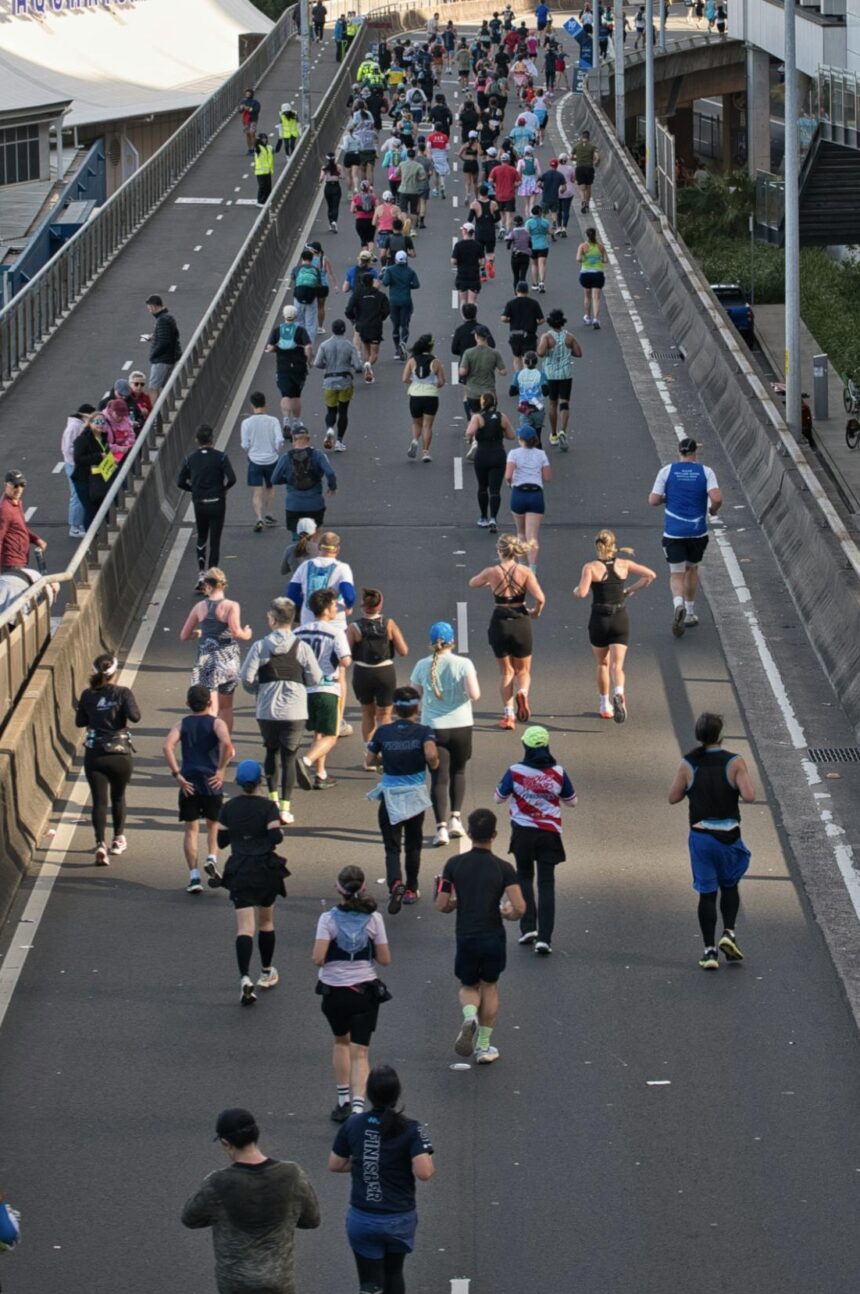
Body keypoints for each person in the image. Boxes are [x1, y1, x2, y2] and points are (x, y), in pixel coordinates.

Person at [182, 1107, 320, 1291]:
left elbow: (189, 1219)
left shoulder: (217, 1182)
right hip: (279, 1280)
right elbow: (312, 1220)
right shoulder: (292, 1174)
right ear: (256, 1134)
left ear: (225, 1143)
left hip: (235, 1282)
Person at [329, 1064, 434, 1293]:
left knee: (369, 1281)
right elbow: (424, 1172)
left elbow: (335, 1164)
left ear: (368, 1094)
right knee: (394, 1273)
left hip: (363, 1217)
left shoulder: (353, 1124)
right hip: (398, 1217)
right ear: (397, 1094)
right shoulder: (411, 1129)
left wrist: (367, 1161)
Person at [435, 807, 525, 1063]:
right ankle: (484, 1046)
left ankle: (469, 1015)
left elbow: (441, 905)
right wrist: (508, 914)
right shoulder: (504, 868)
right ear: (494, 835)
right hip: (493, 935)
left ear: (469, 833)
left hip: (466, 935)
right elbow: (520, 907)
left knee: (468, 985)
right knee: (490, 986)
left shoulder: (453, 865)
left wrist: (455, 903)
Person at [667, 713, 756, 970]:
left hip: (701, 837)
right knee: (730, 886)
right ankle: (729, 932)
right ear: (721, 734)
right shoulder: (735, 762)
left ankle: (709, 952)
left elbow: (673, 797)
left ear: (699, 735)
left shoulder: (688, 763)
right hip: (729, 836)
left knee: (707, 894)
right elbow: (749, 795)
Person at [314, 866, 393, 1123]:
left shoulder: (327, 919)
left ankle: (343, 1101)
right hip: (364, 991)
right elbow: (385, 959)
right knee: (361, 1051)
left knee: (341, 1042)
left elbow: (318, 958)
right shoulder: (374, 919)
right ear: (364, 888)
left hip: (334, 991)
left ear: (339, 889)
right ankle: (359, 1108)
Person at [206, 757, 289, 1000]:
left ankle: (244, 977)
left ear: (239, 783)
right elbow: (275, 837)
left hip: (240, 868)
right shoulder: (268, 807)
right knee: (266, 923)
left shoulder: (229, 807)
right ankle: (266, 971)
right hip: (265, 868)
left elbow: (222, 841)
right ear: (260, 781)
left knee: (244, 928)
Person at [494, 725, 576, 955]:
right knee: (546, 883)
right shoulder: (558, 772)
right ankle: (545, 939)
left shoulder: (515, 771)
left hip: (522, 832)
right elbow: (572, 801)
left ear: (526, 746)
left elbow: (498, 798)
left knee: (524, 877)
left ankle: (528, 927)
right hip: (549, 833)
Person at [240, 598, 322, 825]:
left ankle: (272, 800)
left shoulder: (260, 646)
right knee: (289, 756)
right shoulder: (302, 647)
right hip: (295, 711)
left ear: (273, 619)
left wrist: (259, 690)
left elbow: (246, 677)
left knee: (271, 752)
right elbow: (315, 677)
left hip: (267, 710)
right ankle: (286, 807)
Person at [367, 685, 438, 910]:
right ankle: (411, 888)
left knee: (392, 846)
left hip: (390, 797)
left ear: (395, 709)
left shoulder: (383, 732)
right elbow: (431, 753)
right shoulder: (424, 731)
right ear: (417, 708)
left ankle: (395, 883)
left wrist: (383, 761)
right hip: (414, 796)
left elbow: (369, 760)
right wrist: (434, 763)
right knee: (413, 844)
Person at [573, 529, 655, 721]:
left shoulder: (591, 567)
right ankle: (619, 692)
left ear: (597, 546)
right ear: (613, 545)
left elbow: (582, 593)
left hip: (599, 619)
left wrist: (576, 589)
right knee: (617, 666)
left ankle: (604, 705)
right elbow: (650, 575)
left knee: (602, 663)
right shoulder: (624, 564)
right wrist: (630, 590)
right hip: (619, 618)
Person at [411, 621, 480, 847]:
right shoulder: (464, 664)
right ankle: (455, 819)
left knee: (438, 779)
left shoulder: (422, 665)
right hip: (462, 725)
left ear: (431, 642)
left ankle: (440, 828)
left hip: (433, 727)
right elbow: (475, 694)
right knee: (458, 772)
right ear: (453, 641)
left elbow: (413, 696)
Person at [469, 533, 545, 728]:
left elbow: (473, 583)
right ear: (515, 551)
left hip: (500, 621)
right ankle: (523, 692)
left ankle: (509, 715)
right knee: (523, 670)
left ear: (499, 551)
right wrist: (535, 612)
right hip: (520, 620)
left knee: (506, 671)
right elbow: (540, 598)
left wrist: (490, 582)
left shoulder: (492, 572)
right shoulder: (525, 572)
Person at [648, 437, 722, 636]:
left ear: (679, 451)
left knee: (676, 573)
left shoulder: (667, 471)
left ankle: (678, 604)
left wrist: (667, 499)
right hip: (697, 532)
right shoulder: (706, 472)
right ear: (695, 452)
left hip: (674, 532)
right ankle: (689, 613)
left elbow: (653, 500)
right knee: (692, 569)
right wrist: (713, 511)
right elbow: (716, 498)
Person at [163, 684, 232, 894]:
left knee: (191, 830)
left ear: (188, 703)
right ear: (210, 703)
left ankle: (194, 877)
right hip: (211, 781)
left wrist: (177, 775)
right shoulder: (217, 723)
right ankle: (212, 858)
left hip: (189, 782)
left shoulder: (182, 724)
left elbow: (167, 746)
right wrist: (221, 770)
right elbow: (227, 745)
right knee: (213, 825)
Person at [75, 652, 141, 866]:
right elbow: (135, 717)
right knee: (118, 797)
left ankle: (100, 844)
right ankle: (118, 839)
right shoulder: (123, 693)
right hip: (120, 753)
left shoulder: (87, 695)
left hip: (95, 754)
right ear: (114, 672)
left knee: (99, 801)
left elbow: (80, 721)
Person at [180, 568, 252, 734]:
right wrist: (247, 633)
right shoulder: (231, 606)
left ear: (207, 586)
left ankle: (209, 741)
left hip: (207, 663)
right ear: (223, 585)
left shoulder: (199, 607)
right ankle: (225, 742)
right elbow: (236, 632)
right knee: (226, 707)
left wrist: (199, 633)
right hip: (228, 660)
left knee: (210, 707)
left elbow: (184, 635)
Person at [294, 588, 352, 791]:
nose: (336, 608)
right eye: (334, 605)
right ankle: (306, 761)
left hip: (304, 690)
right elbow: (345, 660)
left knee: (319, 732)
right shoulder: (335, 632)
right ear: (326, 609)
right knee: (331, 734)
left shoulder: (299, 632)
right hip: (327, 688)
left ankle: (321, 773)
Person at [348, 588, 409, 757]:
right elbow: (403, 651)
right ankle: (386, 752)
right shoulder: (388, 623)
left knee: (367, 713)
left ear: (362, 605)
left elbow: (346, 653)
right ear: (380, 605)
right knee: (384, 715)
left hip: (362, 673)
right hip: (385, 672)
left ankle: (369, 755)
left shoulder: (354, 627)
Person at [176, 424, 237, 591]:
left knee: (202, 536)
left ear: (197, 440)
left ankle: (201, 574)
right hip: (217, 501)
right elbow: (232, 478)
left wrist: (194, 490)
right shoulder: (221, 457)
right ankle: (212, 577)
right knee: (215, 540)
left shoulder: (190, 459)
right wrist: (223, 489)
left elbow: (180, 482)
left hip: (200, 502)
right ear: (212, 439)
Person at [272, 424, 337, 536]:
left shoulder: (286, 457)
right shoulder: (318, 455)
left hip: (294, 505)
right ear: (308, 439)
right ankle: (313, 546)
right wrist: (332, 487)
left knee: (296, 536)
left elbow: (274, 479)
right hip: (315, 504)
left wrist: (288, 479)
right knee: (315, 534)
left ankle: (298, 545)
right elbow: (330, 473)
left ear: (293, 439)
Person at [464, 394, 516, 533]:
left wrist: (470, 439)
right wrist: (499, 432)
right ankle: (493, 518)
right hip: (498, 454)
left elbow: (469, 432)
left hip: (482, 455)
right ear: (495, 403)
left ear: (482, 404)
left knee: (482, 487)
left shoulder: (478, 417)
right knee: (495, 490)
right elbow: (511, 436)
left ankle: (483, 517)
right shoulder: (502, 417)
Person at [287, 530, 356, 627]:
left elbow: (291, 594)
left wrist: (311, 604)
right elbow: (349, 596)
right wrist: (348, 606)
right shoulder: (342, 568)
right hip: (335, 624)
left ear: (319, 547)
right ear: (337, 549)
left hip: (308, 622)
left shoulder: (304, 566)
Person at [505, 425, 550, 568]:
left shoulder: (514, 453)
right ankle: (532, 568)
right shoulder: (541, 454)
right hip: (536, 495)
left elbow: (508, 475)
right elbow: (547, 476)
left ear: (521, 439)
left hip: (519, 494)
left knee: (521, 533)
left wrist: (509, 483)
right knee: (533, 537)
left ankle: (522, 565)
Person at [314, 320, 362, 453]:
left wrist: (327, 366)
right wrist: (350, 365)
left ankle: (330, 428)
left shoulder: (324, 345)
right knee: (343, 411)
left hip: (329, 381)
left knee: (331, 410)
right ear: (344, 330)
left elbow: (317, 363)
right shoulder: (349, 346)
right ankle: (339, 441)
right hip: (345, 381)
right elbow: (358, 366)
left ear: (332, 329)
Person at [239, 391, 284, 533]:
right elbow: (279, 440)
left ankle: (259, 518)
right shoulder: (273, 421)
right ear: (265, 404)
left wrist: (251, 451)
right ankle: (269, 513)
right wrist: (275, 451)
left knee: (257, 491)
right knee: (270, 487)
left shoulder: (246, 423)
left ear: (252, 405)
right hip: (271, 459)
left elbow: (244, 444)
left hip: (255, 460)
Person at [537, 308, 582, 448]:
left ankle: (554, 433)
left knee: (552, 404)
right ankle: (563, 430)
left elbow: (540, 352)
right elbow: (578, 353)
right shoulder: (570, 337)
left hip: (551, 375)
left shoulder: (546, 337)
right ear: (563, 322)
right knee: (564, 403)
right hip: (565, 374)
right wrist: (566, 352)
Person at [266, 305, 314, 433]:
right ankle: (296, 422)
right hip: (299, 367)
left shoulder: (277, 330)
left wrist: (277, 349)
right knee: (296, 395)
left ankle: (286, 421)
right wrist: (309, 361)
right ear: (296, 316)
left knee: (285, 395)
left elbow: (270, 348)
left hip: (283, 367)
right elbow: (308, 347)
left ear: (283, 315)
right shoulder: (301, 331)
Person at [403, 334, 446, 462]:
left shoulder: (412, 361)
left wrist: (415, 383)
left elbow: (404, 378)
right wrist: (434, 385)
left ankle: (415, 440)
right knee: (427, 425)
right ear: (431, 347)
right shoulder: (436, 362)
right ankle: (426, 452)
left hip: (415, 395)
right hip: (430, 396)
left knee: (416, 422)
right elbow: (442, 382)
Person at [72, 411, 114, 529]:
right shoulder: (83, 439)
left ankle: (101, 533)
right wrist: (98, 456)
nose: (100, 425)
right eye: (97, 422)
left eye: (103, 422)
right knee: (90, 510)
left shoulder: (103, 437)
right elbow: (78, 459)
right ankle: (91, 536)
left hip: (99, 479)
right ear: (90, 423)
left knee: (101, 508)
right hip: (84, 480)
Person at [346, 272, 390, 382]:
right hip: (375, 326)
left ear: (361, 282)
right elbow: (387, 310)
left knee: (366, 348)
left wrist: (355, 319)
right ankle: (368, 364)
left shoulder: (357, 295)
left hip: (362, 326)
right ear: (372, 282)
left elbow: (348, 310)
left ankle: (367, 372)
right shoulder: (380, 295)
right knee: (374, 354)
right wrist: (380, 318)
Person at [0, 470, 46, 573]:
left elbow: (19, 527)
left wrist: (36, 539)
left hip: (20, 559)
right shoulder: (5, 510)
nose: (19, 489)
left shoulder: (16, 502)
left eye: (22, 485)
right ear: (5, 485)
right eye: (15, 485)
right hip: (11, 564)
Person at [501, 280, 544, 385]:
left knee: (517, 357)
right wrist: (534, 323)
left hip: (515, 335)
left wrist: (509, 320)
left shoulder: (511, 303)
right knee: (527, 357)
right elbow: (541, 320)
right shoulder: (534, 303)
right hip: (529, 335)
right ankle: (527, 380)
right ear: (527, 291)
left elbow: (504, 318)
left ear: (517, 291)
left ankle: (519, 378)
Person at [61, 406, 94, 537]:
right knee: (77, 495)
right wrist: (82, 454)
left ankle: (79, 523)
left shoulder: (78, 425)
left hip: (78, 465)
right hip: (73, 465)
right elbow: (67, 449)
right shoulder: (74, 427)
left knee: (81, 495)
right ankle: (74, 526)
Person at [459, 325, 507, 416]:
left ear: (476, 336)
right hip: (489, 393)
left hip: (473, 393)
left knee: (475, 416)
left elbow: (462, 372)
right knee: (489, 416)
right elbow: (503, 372)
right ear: (487, 337)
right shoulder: (494, 353)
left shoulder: (468, 353)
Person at [383, 251, 420, 360]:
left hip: (394, 301)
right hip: (406, 301)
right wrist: (408, 286)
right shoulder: (410, 271)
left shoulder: (390, 270)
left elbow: (385, 282)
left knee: (395, 325)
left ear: (395, 260)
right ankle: (403, 342)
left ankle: (397, 350)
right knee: (405, 325)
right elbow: (416, 285)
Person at [144, 294, 181, 396]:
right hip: (170, 357)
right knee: (166, 388)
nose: (149, 311)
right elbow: (172, 335)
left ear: (154, 307)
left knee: (153, 388)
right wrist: (154, 337)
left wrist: (153, 355)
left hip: (162, 359)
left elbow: (164, 341)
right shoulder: (168, 317)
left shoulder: (162, 320)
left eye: (149, 308)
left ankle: (156, 406)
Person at [576, 226, 608, 329]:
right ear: (595, 235)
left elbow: (578, 259)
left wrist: (585, 259)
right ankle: (596, 319)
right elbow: (605, 260)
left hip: (585, 274)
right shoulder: (601, 246)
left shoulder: (582, 246)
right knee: (596, 298)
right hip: (598, 274)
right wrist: (598, 260)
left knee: (587, 296)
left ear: (586, 235)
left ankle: (587, 317)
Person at [451, 222, 484, 307]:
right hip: (474, 276)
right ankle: (473, 314)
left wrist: (460, 262)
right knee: (472, 301)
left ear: (465, 231)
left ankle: (464, 315)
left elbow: (453, 261)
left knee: (463, 301)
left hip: (462, 276)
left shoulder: (458, 245)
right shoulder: (477, 245)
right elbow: (482, 262)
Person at [469, 183, 499, 279]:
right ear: (487, 193)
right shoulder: (493, 204)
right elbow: (498, 217)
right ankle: (489, 262)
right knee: (490, 252)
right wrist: (491, 220)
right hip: (490, 231)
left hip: (479, 232)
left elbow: (469, 219)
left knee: (480, 253)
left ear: (479, 193)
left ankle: (482, 272)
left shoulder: (474, 204)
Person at [524, 203, 551, 292]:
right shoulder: (545, 222)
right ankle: (542, 282)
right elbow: (549, 231)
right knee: (542, 264)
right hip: (543, 245)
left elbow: (526, 233)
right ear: (540, 212)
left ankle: (535, 283)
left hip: (533, 245)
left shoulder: (529, 222)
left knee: (534, 264)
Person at [573, 128, 600, 213]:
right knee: (588, 187)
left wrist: (578, 159)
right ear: (589, 138)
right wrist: (595, 162)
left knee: (581, 188)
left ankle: (583, 201)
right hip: (589, 168)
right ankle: (587, 204)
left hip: (579, 168)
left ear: (582, 137)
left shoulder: (577, 146)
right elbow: (597, 157)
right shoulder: (592, 146)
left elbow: (571, 157)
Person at [320, 151, 343, 231]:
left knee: (330, 206)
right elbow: (342, 176)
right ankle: (334, 222)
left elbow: (321, 179)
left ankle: (330, 223)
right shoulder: (338, 167)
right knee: (335, 206)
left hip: (328, 188)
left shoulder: (324, 168)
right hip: (336, 187)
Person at [253, 132, 275, 205]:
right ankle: (260, 201)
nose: (264, 140)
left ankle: (266, 200)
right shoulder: (258, 147)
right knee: (262, 186)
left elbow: (276, 150)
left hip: (267, 170)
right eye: (262, 139)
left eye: (265, 138)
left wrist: (280, 140)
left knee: (268, 187)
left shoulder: (268, 147)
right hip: (260, 171)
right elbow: (256, 149)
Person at [239, 87, 261, 152]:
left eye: (249, 94)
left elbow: (257, 110)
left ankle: (254, 148)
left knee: (252, 133)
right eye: (246, 94)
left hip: (253, 119)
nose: (247, 95)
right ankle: (250, 149)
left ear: (251, 94)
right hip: (246, 120)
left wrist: (248, 109)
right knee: (248, 134)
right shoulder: (243, 101)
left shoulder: (255, 102)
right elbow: (240, 111)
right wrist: (241, 108)